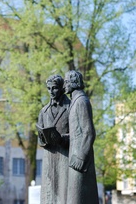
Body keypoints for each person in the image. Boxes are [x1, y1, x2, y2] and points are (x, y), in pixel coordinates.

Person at [64, 70, 99, 204]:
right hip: (75, 157)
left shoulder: (81, 101)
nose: (64, 86)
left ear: (74, 82)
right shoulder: (75, 101)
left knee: (76, 198)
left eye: (66, 82)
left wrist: (80, 157)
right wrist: (63, 137)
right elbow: (77, 133)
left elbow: (89, 132)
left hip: (80, 160)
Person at [37, 74, 70, 204]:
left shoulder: (70, 108)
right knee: (49, 195)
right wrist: (42, 138)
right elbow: (40, 136)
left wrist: (62, 139)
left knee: (64, 195)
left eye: (54, 88)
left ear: (61, 88)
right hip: (49, 158)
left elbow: (78, 134)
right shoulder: (43, 111)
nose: (51, 92)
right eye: (48, 88)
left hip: (64, 157)